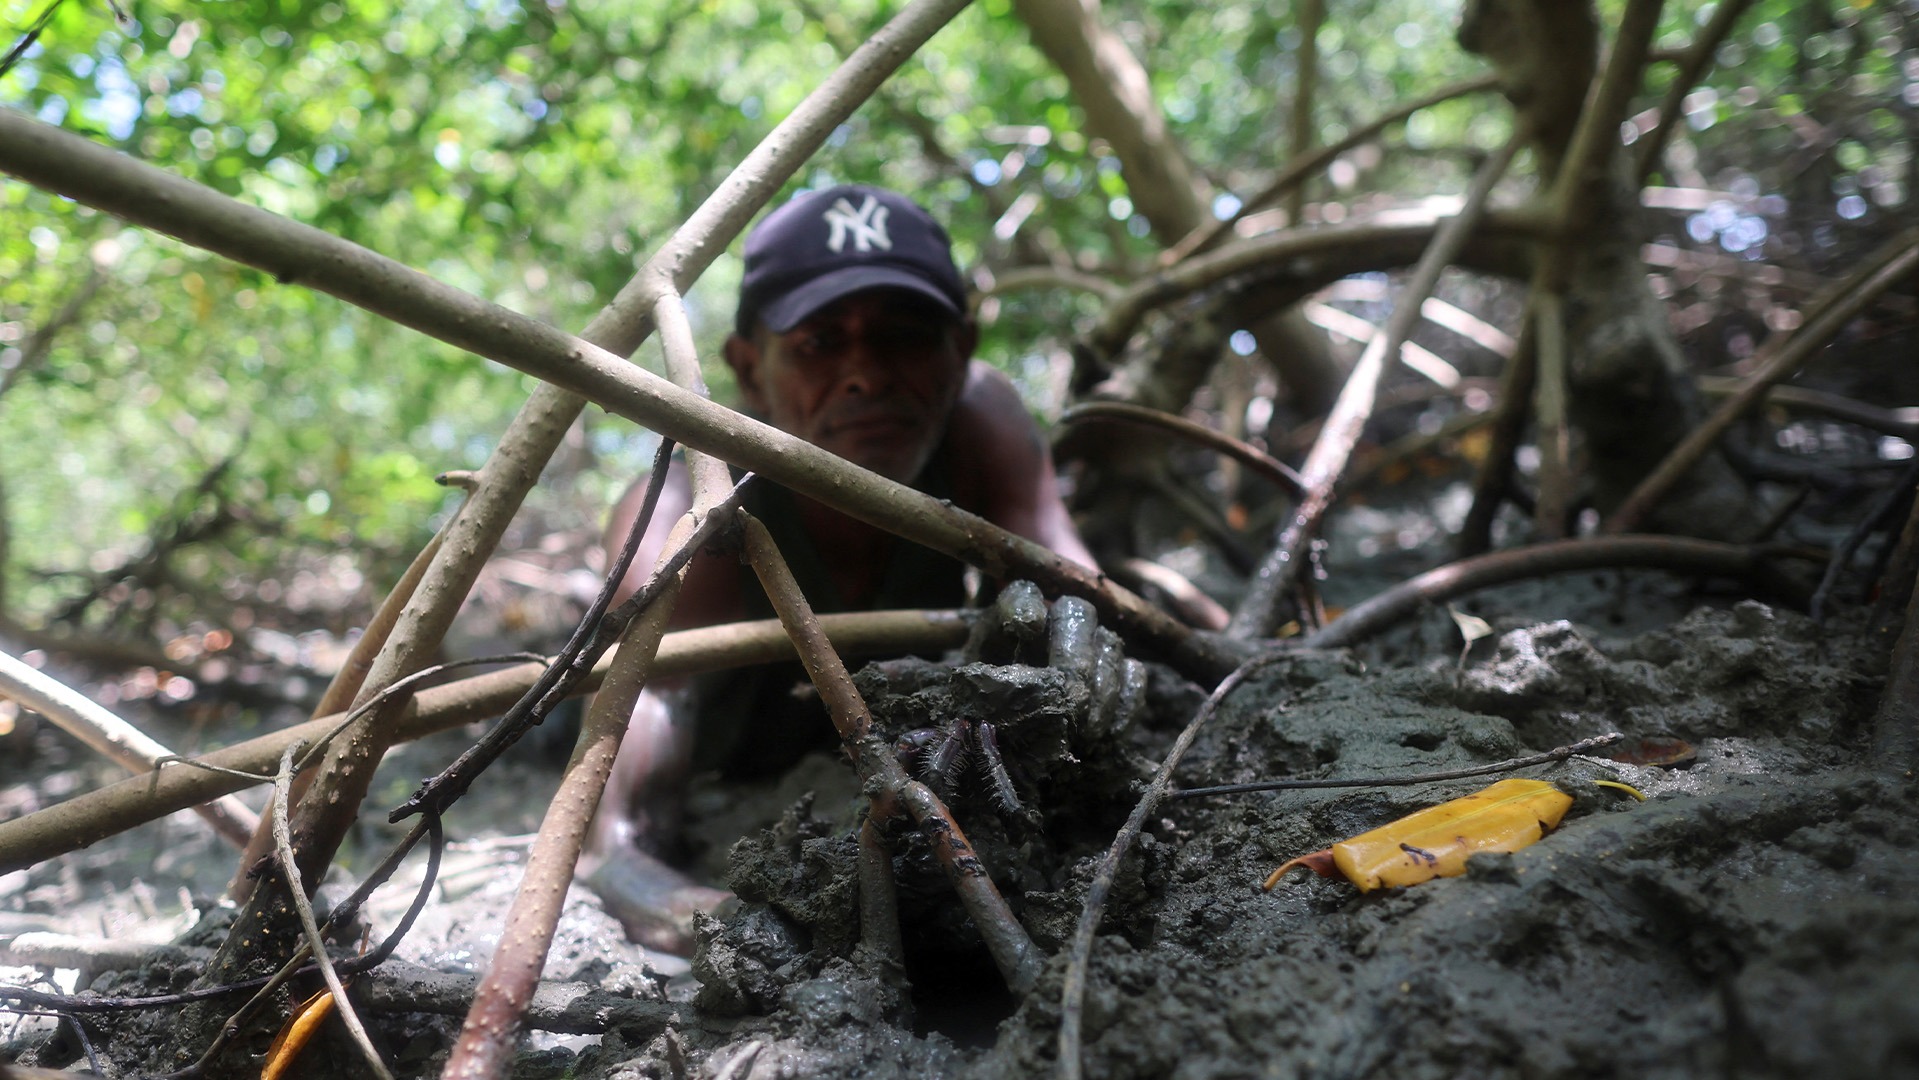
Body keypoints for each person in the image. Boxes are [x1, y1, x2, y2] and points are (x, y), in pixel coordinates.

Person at [580, 185, 1095, 951]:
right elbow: (614, 843)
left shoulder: (981, 423)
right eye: (820, 343)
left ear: (960, 352)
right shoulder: (695, 507)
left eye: (904, 336)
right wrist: (718, 920)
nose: (866, 375)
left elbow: (1076, 595)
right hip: (742, 750)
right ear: (749, 370)